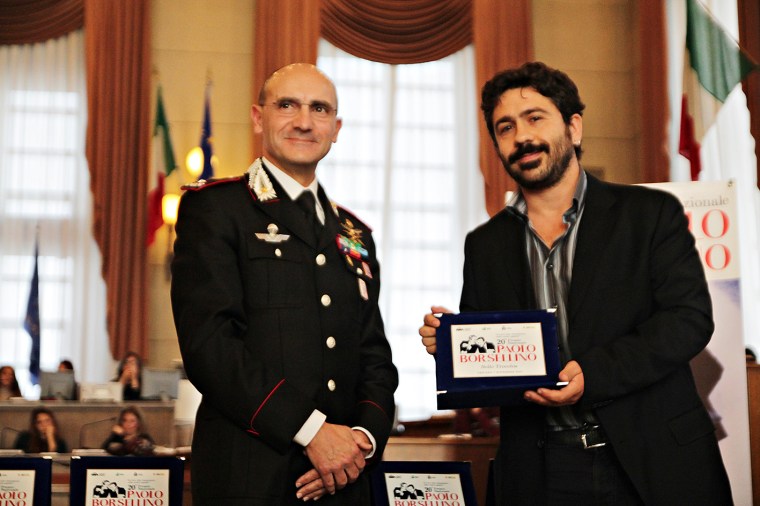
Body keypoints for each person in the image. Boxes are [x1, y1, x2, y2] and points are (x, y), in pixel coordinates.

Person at [419, 62, 732, 505]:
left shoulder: (649, 215)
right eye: (505, 128)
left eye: (535, 118)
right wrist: (452, 345)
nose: (521, 137)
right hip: (540, 471)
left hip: (652, 461)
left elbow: (689, 321)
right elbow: (489, 356)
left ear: (574, 127)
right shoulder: (485, 245)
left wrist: (593, 374)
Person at [171, 63, 398, 505]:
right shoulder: (217, 209)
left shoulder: (354, 234)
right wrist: (312, 431)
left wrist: (363, 441)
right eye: (288, 105)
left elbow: (374, 356)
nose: (304, 122)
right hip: (250, 476)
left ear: (336, 129)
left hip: (343, 480)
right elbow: (210, 346)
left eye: (320, 109)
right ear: (259, 118)